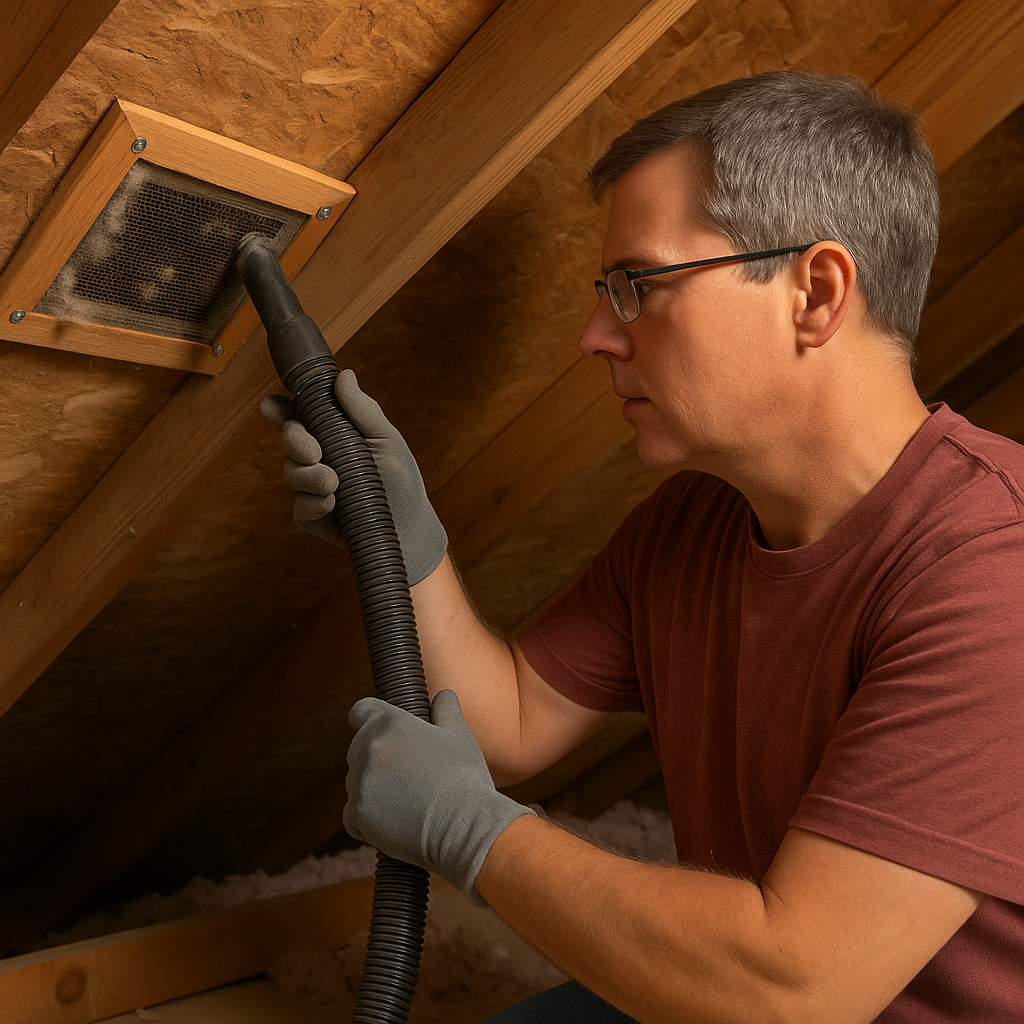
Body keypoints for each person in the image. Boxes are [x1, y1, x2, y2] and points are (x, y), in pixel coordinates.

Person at [261, 70, 1024, 1022]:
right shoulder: (689, 525)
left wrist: (470, 831)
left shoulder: (995, 571)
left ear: (815, 294)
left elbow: (795, 989)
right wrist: (403, 540)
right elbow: (510, 719)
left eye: (637, 286)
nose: (594, 336)